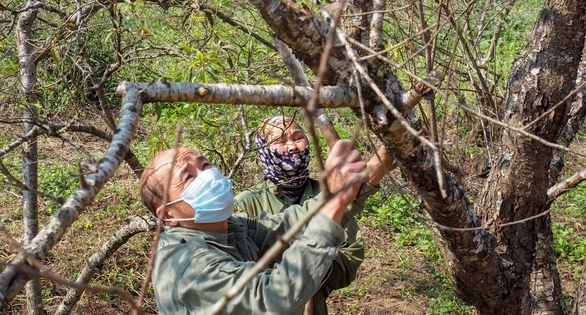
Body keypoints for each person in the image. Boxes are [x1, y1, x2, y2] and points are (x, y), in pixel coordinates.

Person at [139, 140, 369, 314]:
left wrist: (336, 192)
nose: (206, 176)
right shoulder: (189, 265)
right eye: (188, 177)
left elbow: (288, 225)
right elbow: (272, 298)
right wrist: (333, 206)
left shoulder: (229, 227)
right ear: (168, 216)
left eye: (205, 165)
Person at [234, 115, 395, 315]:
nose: (292, 147)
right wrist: (311, 252)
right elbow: (240, 266)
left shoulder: (328, 189)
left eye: (297, 137)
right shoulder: (246, 203)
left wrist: (313, 267)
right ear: (263, 150)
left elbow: (350, 258)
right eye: (280, 141)